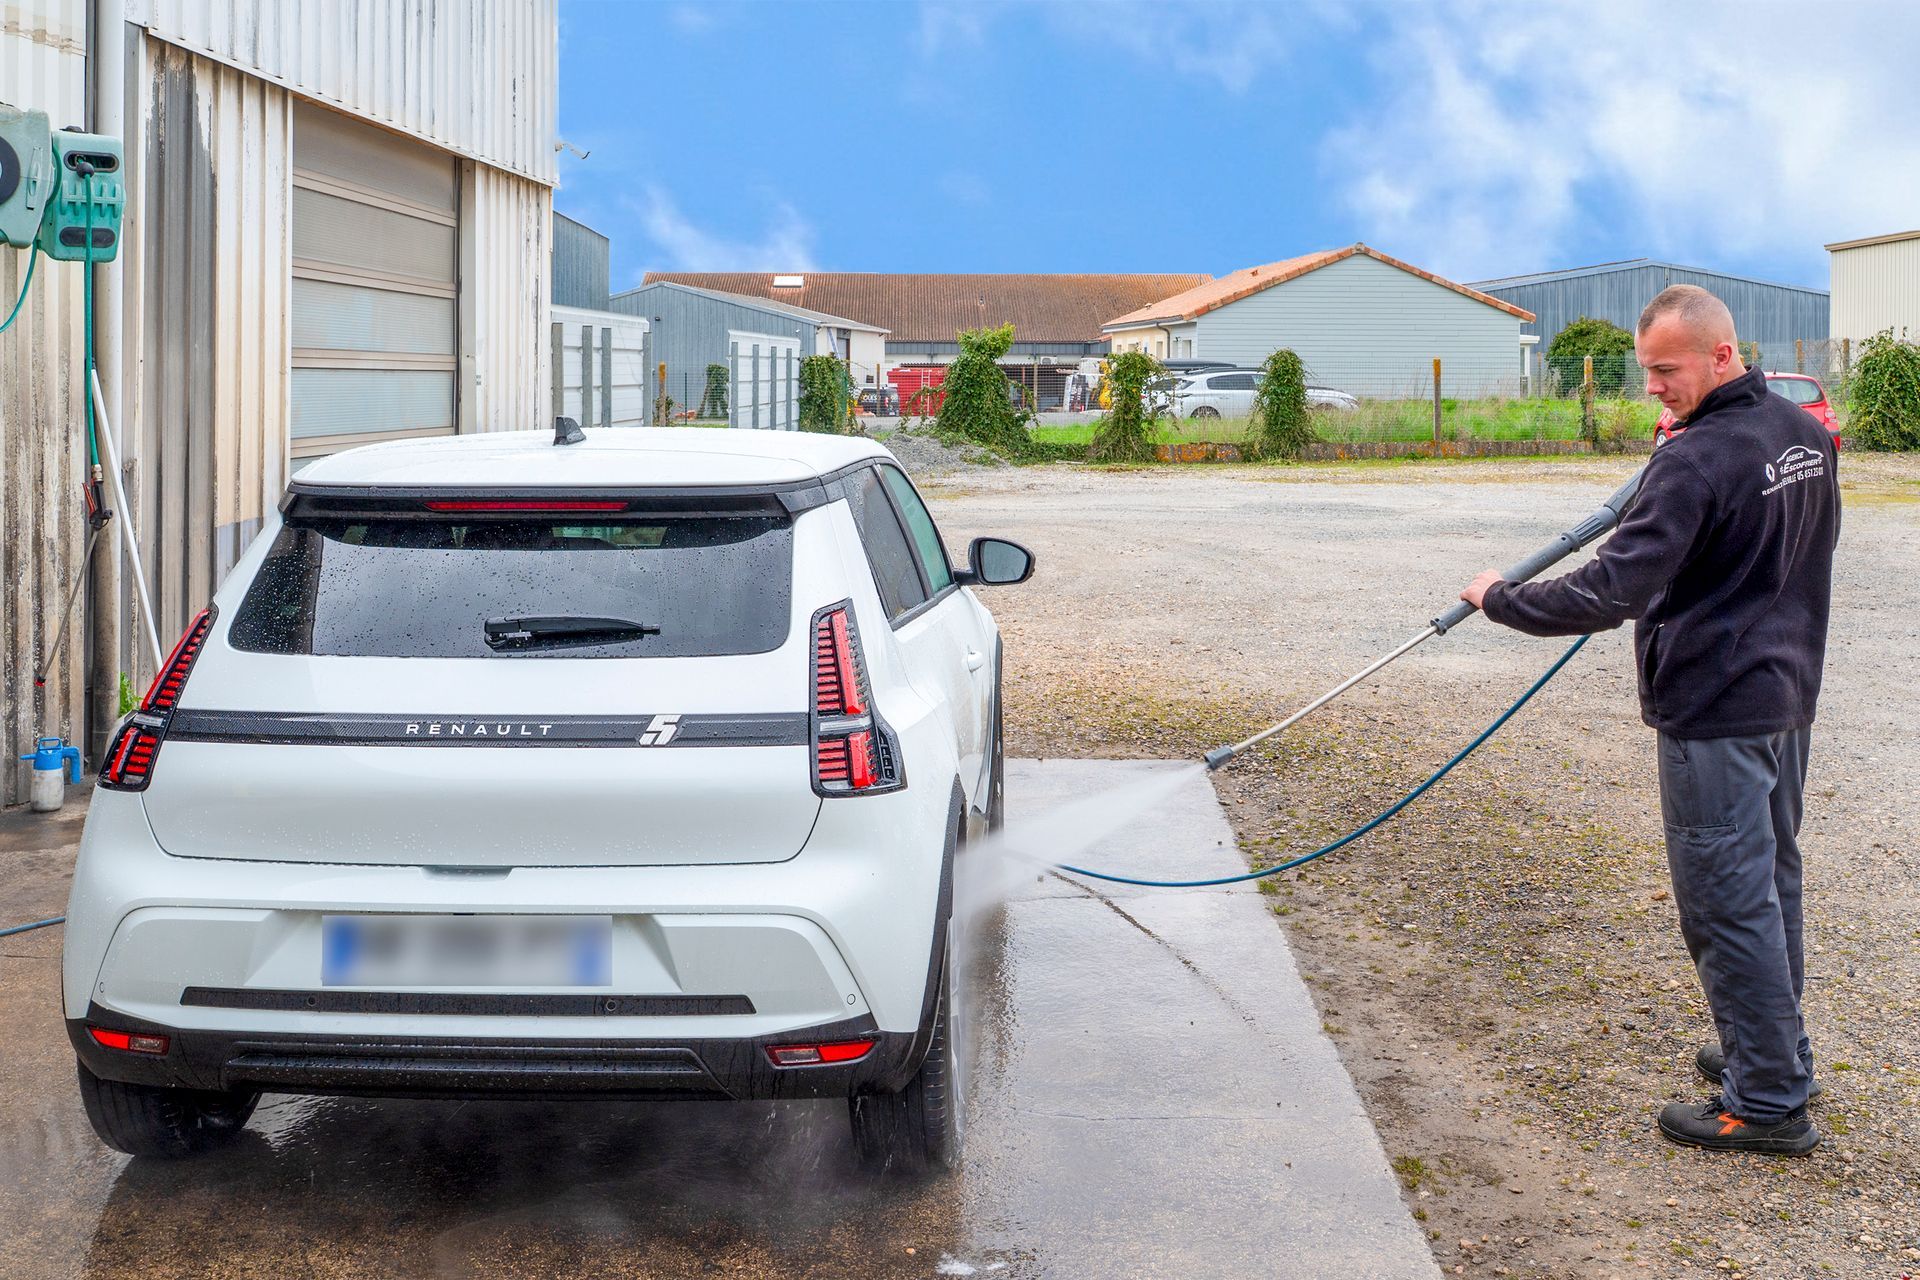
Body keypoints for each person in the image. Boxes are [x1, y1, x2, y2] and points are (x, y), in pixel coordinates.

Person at [1459, 285, 1840, 1155]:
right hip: (1785, 696)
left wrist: (1499, 598)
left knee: (1726, 898)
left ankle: (1770, 1103)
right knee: (1771, 878)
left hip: (1716, 710)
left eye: (1666, 372)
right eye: (1645, 373)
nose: (1653, 389)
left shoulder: (1697, 459)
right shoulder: (1802, 434)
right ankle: (1778, 1052)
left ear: (1721, 353)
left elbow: (1606, 590)